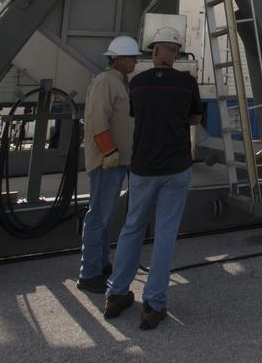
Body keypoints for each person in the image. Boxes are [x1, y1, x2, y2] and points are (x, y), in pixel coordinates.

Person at [105, 25, 202, 330]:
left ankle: (116, 294)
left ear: (156, 50)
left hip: (143, 167)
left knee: (132, 228)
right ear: (176, 53)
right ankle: (154, 304)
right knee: (165, 234)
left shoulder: (138, 82)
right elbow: (195, 118)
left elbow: (136, 115)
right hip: (176, 166)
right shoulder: (187, 83)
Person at [77, 35, 140, 294]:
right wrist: (108, 151)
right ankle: (89, 273)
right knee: (98, 217)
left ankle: (101, 265)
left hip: (118, 160)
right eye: (132, 57)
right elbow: (97, 120)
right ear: (119, 59)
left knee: (105, 217)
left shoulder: (121, 83)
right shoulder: (105, 82)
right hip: (107, 162)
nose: (135, 62)